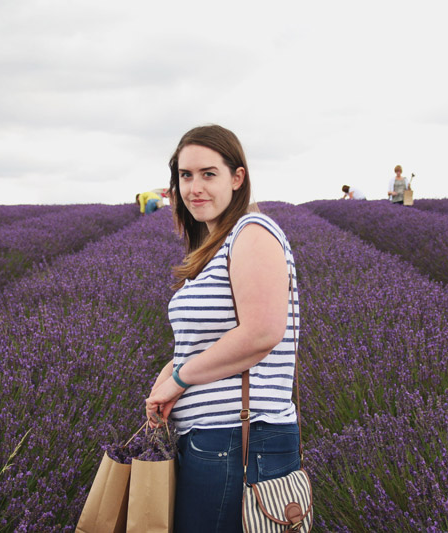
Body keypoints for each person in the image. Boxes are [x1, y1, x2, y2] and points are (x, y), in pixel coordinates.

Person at [145, 125, 300, 532]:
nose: (194, 187)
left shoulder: (253, 233)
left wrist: (178, 380)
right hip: (212, 440)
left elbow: (263, 331)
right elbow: (209, 341)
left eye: (208, 174)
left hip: (240, 440)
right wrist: (166, 379)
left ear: (237, 178)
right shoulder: (214, 247)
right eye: (185, 175)